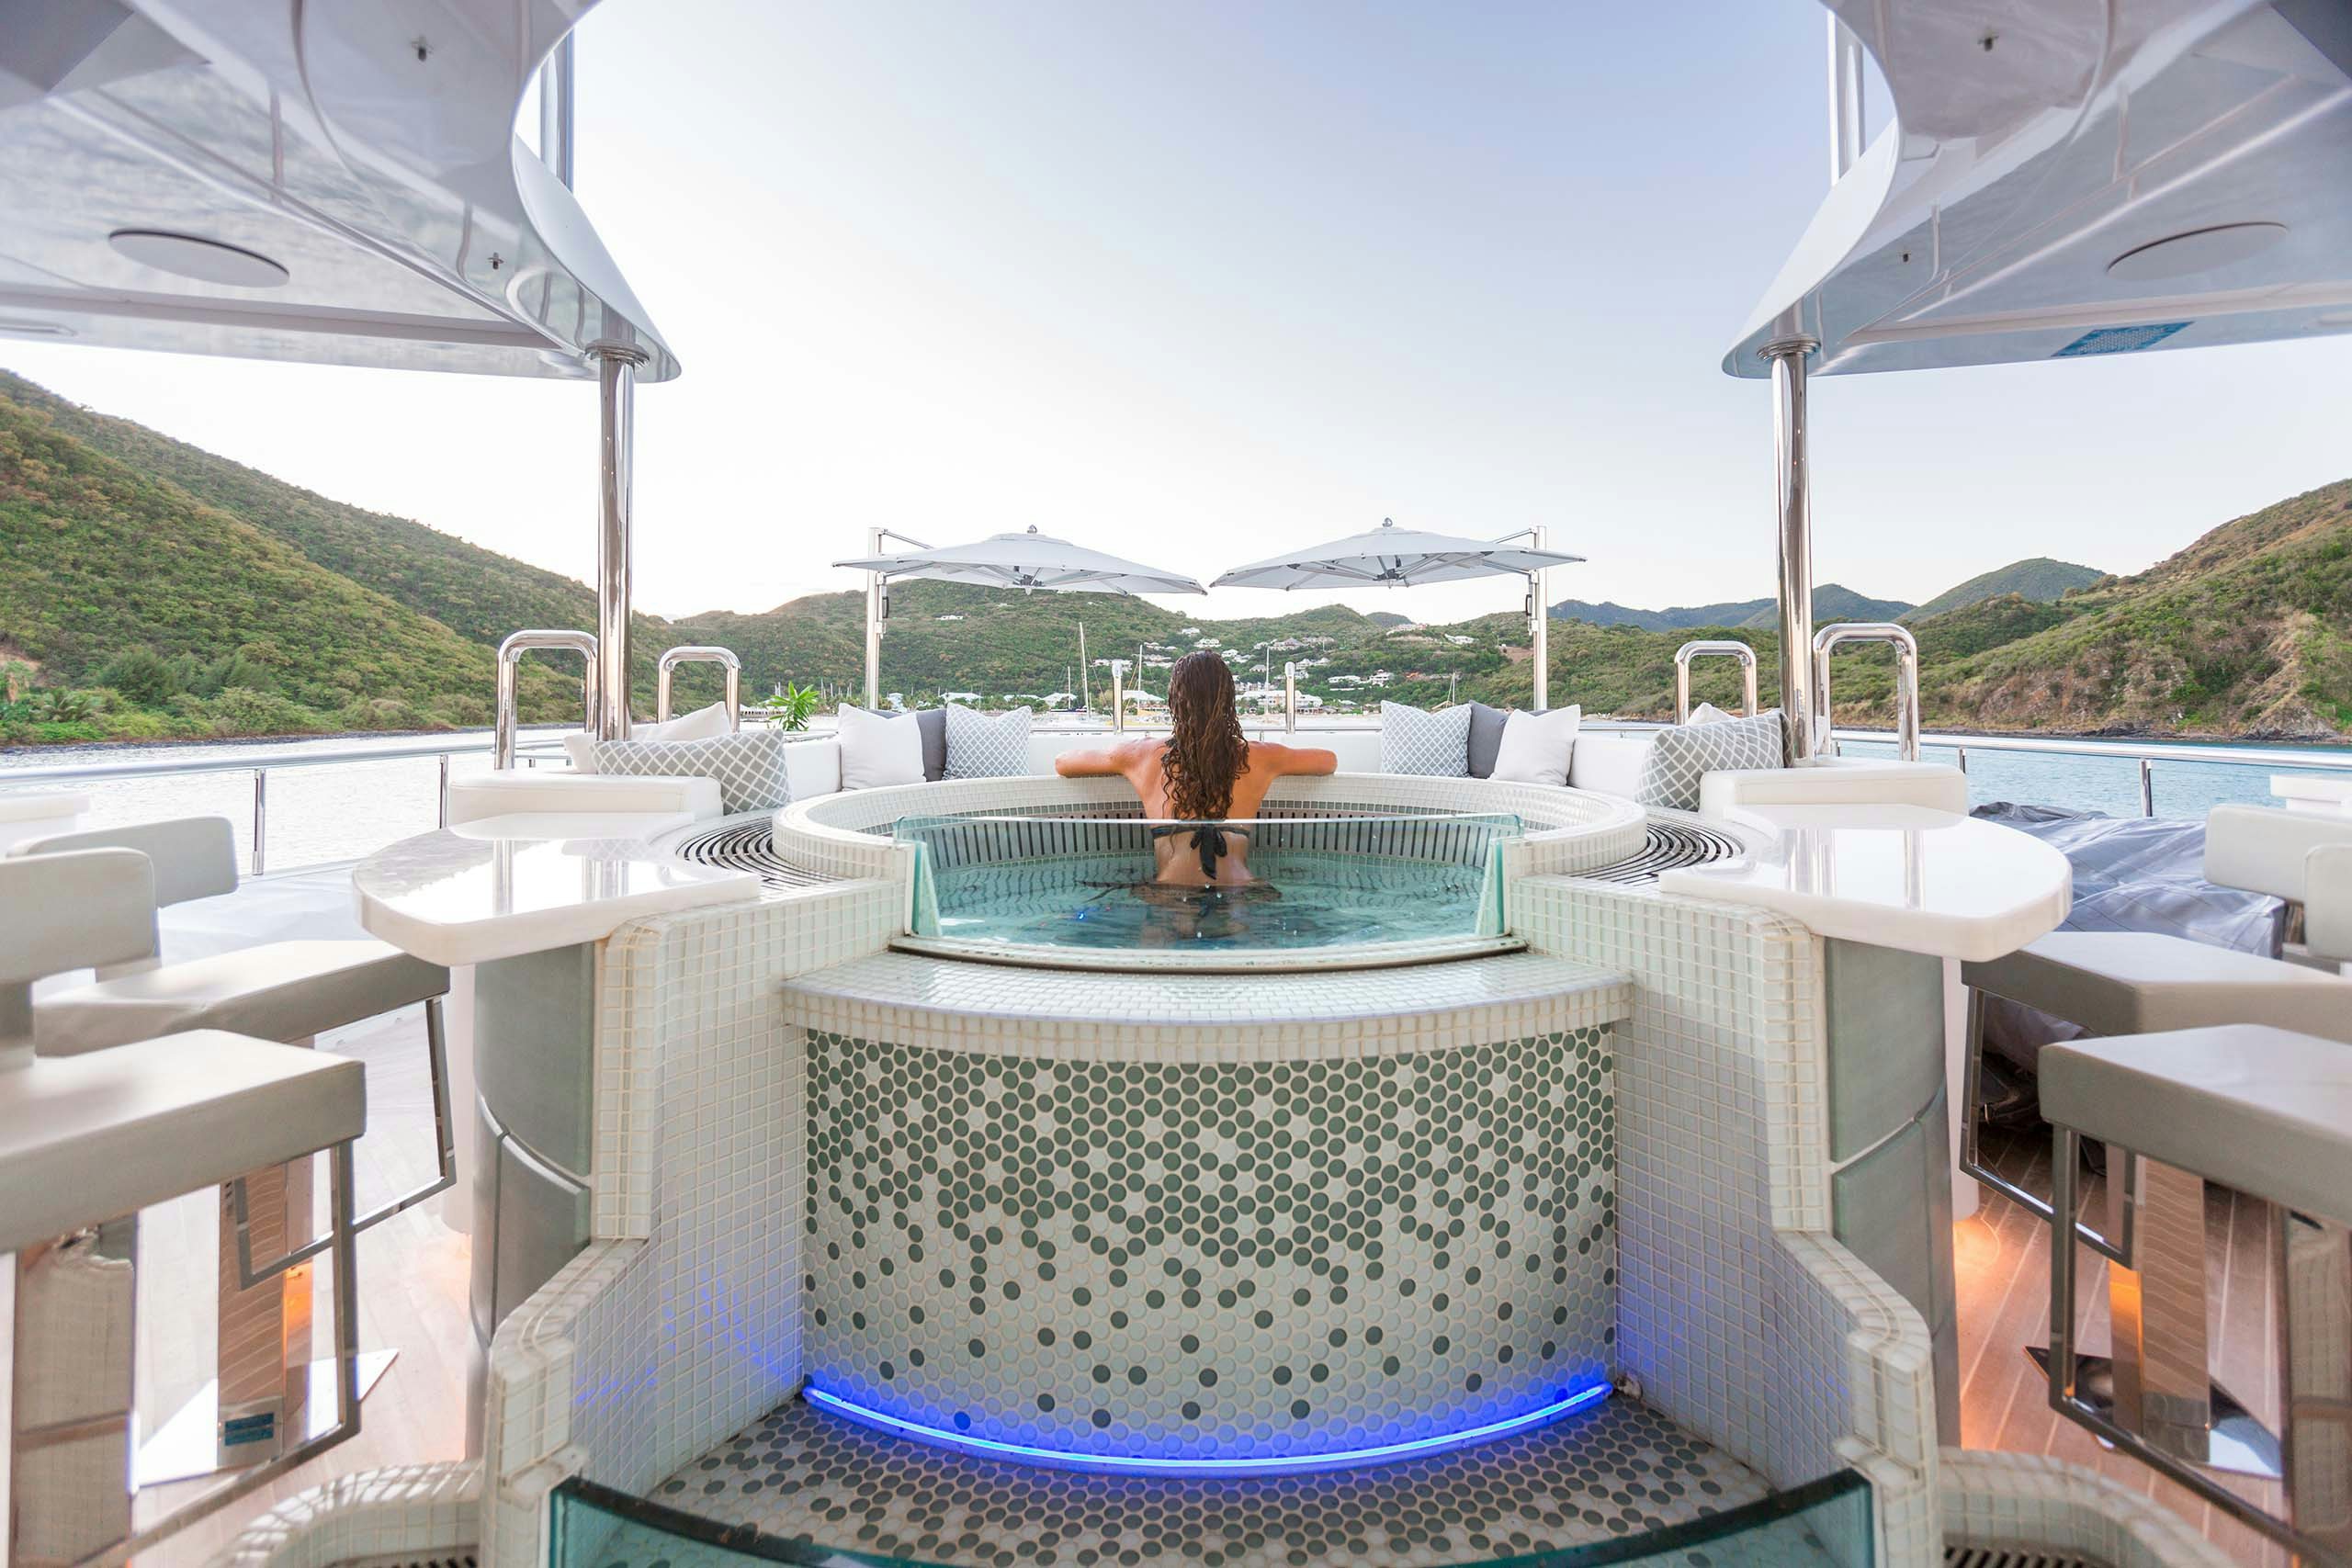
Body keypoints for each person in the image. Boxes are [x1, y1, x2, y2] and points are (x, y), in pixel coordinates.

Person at [1056, 651, 1337, 886]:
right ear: (1228, 701)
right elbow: (1328, 760)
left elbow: (1063, 763)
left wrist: (1120, 756)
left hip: (1170, 892)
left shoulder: (1141, 754)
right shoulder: (1260, 756)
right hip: (1241, 890)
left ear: (1175, 700)